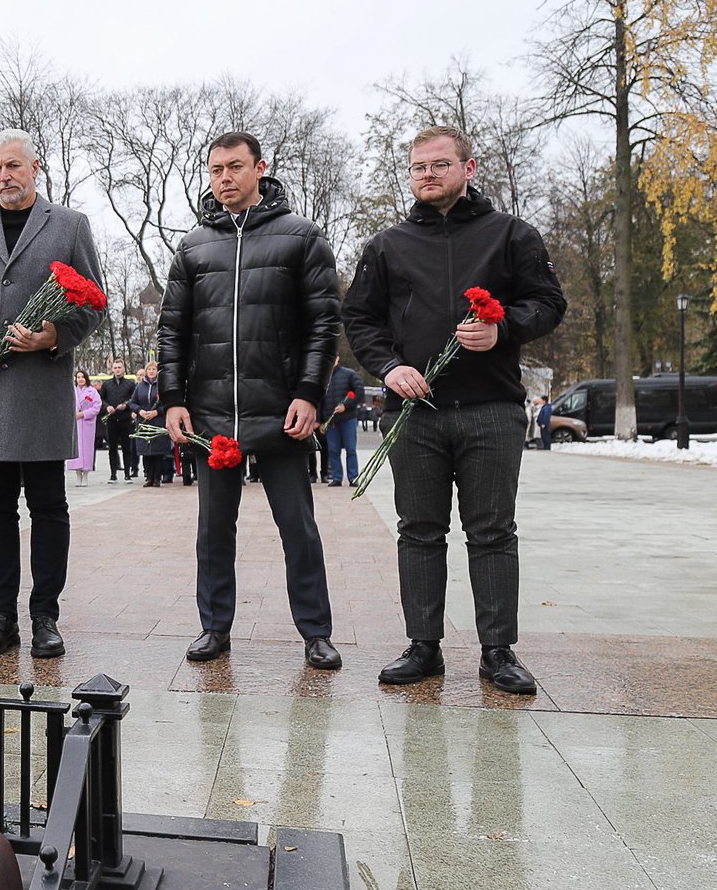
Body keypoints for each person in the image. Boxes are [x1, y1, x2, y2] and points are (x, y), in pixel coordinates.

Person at [342, 125, 567, 695]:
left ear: (469, 168)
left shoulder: (511, 235)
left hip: (491, 409)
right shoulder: (387, 246)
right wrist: (389, 368)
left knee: (492, 532)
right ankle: (424, 646)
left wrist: (504, 328)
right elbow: (360, 319)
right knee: (418, 531)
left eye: (440, 165)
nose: (427, 175)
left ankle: (499, 651)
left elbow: (548, 302)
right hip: (414, 413)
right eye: (419, 167)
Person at [159, 130, 344, 670]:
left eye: (235, 167)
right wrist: (173, 398)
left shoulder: (301, 237)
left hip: (282, 410)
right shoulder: (194, 245)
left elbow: (323, 323)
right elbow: (173, 329)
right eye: (215, 170)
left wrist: (310, 393)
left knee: (298, 528)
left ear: (260, 168)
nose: (224, 178)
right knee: (214, 531)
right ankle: (214, 628)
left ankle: (315, 632)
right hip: (212, 414)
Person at [0, 129, 106, 660]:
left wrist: (53, 336)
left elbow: (94, 303)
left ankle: (45, 616)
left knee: (49, 506)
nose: (5, 176)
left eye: (14, 166)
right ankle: (2, 616)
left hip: (39, 391)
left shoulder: (70, 225)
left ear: (35, 168)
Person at [323, 356, 365, 486]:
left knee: (350, 449)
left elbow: (359, 392)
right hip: (331, 421)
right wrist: (320, 419)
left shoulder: (349, 374)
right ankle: (337, 477)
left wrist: (346, 405)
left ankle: (353, 477)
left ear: (338, 358)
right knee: (333, 451)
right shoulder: (323, 377)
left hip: (348, 419)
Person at [98, 359, 137, 481]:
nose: (117, 370)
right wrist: (107, 406)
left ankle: (127, 473)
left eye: (119, 367)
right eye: (115, 368)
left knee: (127, 447)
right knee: (112, 448)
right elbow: (101, 400)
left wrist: (126, 405)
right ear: (112, 369)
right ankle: (113, 473)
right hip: (112, 420)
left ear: (124, 368)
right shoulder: (107, 384)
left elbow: (134, 399)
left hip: (125, 420)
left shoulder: (130, 384)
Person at [131, 362, 169, 486]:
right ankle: (149, 477)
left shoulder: (162, 386)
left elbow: (167, 404)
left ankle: (157, 477)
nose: (151, 371)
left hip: (157, 421)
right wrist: (140, 411)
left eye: (154, 369)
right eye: (149, 369)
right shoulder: (140, 386)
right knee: (146, 451)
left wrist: (156, 412)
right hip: (143, 421)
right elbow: (133, 403)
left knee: (157, 451)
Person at [67, 370, 102, 485]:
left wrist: (83, 414)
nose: (80, 379)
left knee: (87, 449)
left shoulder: (92, 392)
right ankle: (78, 474)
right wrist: (73, 415)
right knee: (76, 448)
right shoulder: (72, 391)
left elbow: (97, 406)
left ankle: (86, 474)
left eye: (82, 377)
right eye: (78, 377)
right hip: (75, 423)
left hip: (87, 424)